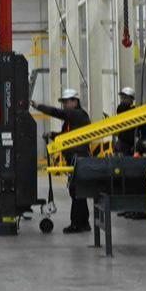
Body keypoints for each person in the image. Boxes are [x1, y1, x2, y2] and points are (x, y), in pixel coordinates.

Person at [32, 89, 92, 233]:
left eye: (66, 102)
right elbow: (67, 135)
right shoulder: (72, 119)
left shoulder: (77, 114)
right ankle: (83, 223)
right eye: (63, 102)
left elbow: (57, 112)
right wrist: (53, 135)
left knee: (76, 191)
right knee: (77, 192)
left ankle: (78, 224)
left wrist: (38, 106)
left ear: (75, 101)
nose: (64, 105)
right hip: (75, 157)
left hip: (79, 157)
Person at [115, 86, 141, 156]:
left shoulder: (134, 110)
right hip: (123, 141)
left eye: (124, 98)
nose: (122, 100)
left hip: (131, 142)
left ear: (131, 99)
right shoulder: (121, 108)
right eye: (121, 98)